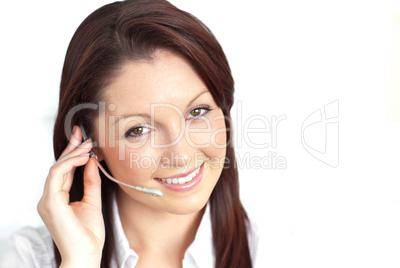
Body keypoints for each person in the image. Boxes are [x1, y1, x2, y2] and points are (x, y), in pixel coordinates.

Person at [0, 0, 257, 267]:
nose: (180, 156)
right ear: (91, 143)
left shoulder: (278, 249)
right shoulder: (31, 257)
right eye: (139, 130)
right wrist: (81, 259)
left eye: (197, 112)